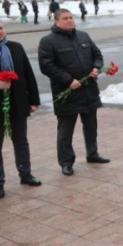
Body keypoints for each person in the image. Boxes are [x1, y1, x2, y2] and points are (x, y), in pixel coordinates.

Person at [38, 9, 110, 176]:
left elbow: (97, 55)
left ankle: (92, 153)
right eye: (65, 18)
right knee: (65, 130)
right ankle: (66, 162)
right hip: (67, 93)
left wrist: (96, 68)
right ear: (57, 21)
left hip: (88, 90)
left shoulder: (83, 36)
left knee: (91, 125)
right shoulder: (48, 41)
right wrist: (68, 80)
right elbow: (47, 66)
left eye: (71, 18)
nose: (70, 21)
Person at [0, 17, 42, 199]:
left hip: (18, 105)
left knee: (21, 142)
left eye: (0, 28)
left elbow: (28, 74)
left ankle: (26, 174)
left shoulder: (16, 47)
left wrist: (33, 100)